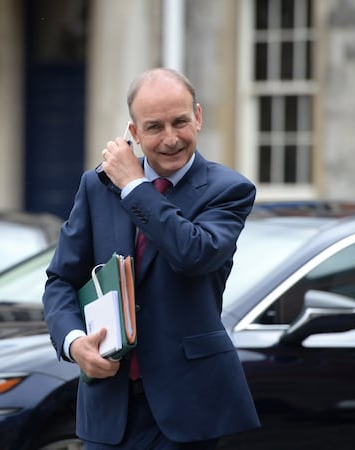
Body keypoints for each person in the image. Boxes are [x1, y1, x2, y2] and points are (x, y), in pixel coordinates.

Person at [42, 67, 260, 449]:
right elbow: (61, 280)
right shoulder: (96, 186)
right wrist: (75, 343)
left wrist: (134, 186)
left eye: (180, 122)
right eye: (155, 127)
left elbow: (193, 253)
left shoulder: (229, 190)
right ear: (135, 133)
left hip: (191, 406)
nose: (171, 138)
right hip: (110, 408)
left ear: (198, 117)